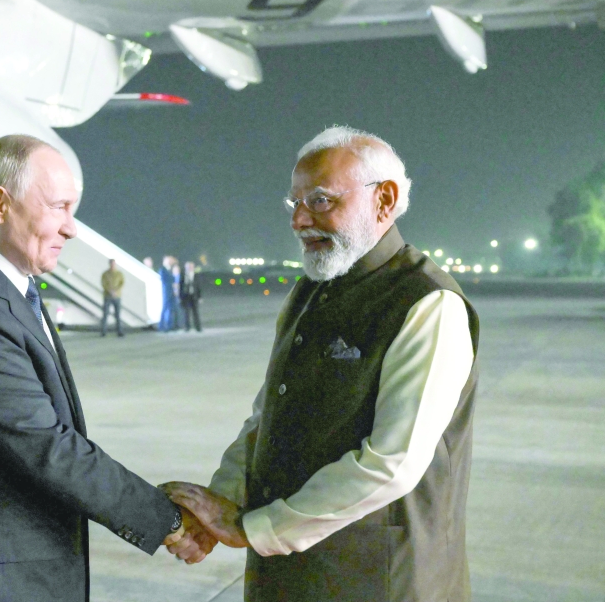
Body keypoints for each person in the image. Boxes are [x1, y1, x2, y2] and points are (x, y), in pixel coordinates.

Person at [164, 126, 480, 602]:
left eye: (320, 200)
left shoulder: (427, 304)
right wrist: (222, 503)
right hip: (289, 575)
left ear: (384, 200)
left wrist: (256, 528)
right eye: (294, 204)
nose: (299, 220)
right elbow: (267, 418)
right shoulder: (312, 290)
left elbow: (392, 462)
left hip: (379, 581)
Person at [0, 135, 190, 602]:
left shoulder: (6, 292)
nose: (71, 229)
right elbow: (48, 447)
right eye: (59, 207)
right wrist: (166, 520)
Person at [100, 258, 124, 337]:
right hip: (107, 296)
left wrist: (116, 291)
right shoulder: (105, 274)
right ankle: (103, 331)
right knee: (105, 314)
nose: (112, 265)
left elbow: (122, 283)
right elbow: (103, 283)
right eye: (111, 264)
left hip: (117, 296)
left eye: (114, 264)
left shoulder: (119, 274)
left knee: (117, 314)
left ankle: (119, 331)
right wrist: (110, 291)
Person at [180, 261, 202, 332]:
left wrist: (200, 297)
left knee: (195, 313)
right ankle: (187, 327)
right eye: (188, 267)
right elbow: (181, 287)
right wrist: (180, 297)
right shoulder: (183, 276)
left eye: (191, 267)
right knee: (186, 313)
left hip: (194, 296)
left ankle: (198, 327)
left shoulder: (196, 276)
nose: (190, 268)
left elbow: (199, 287)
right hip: (186, 296)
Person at [158, 256, 176, 332]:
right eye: (168, 261)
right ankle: (161, 326)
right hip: (166, 292)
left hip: (171, 292)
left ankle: (170, 325)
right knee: (165, 309)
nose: (169, 262)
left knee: (170, 309)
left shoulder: (169, 270)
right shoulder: (162, 270)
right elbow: (165, 280)